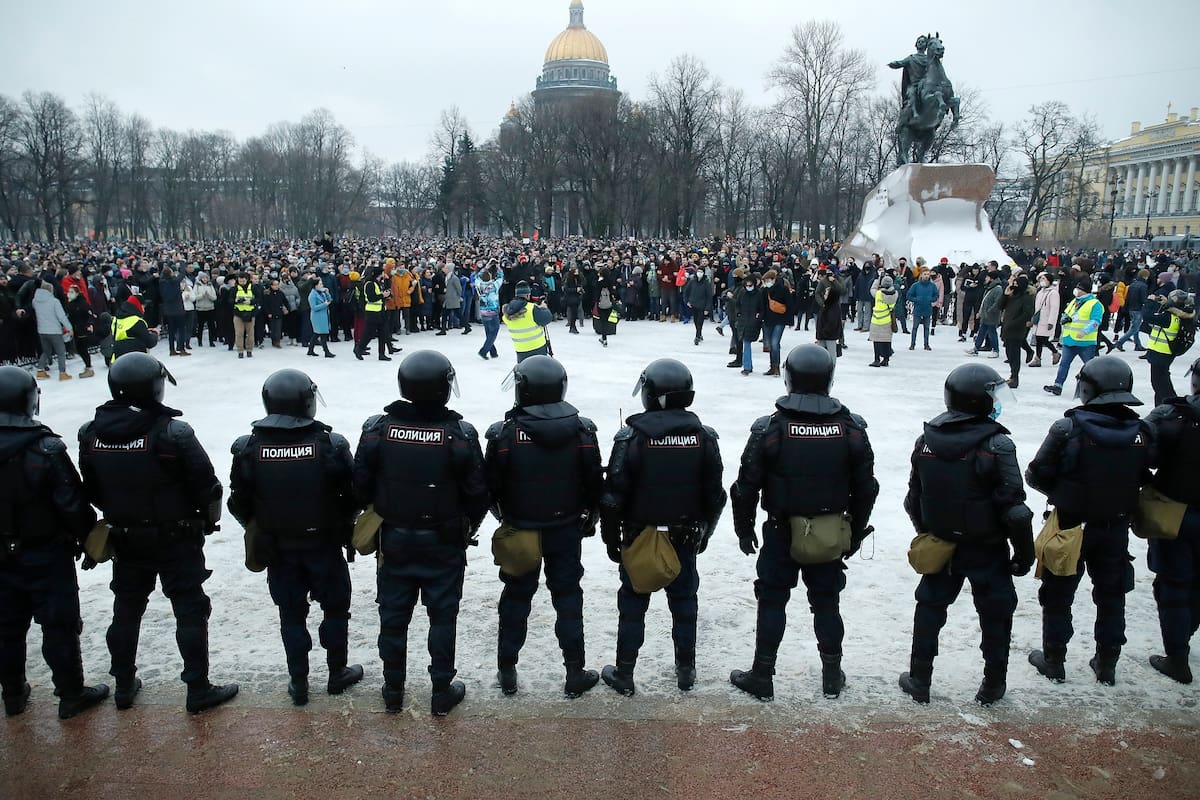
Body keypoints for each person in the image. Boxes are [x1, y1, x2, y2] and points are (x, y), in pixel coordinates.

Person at [78, 353, 237, 713]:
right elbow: (208, 487)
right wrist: (207, 521)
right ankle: (197, 688)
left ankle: (122, 684)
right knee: (189, 609)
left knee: (127, 608)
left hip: (126, 537)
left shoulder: (91, 433)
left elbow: (90, 488)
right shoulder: (172, 432)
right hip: (175, 537)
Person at [728, 345, 879, 700]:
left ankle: (763, 675)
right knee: (826, 602)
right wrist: (854, 532)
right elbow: (866, 489)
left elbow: (745, 486)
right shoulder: (851, 429)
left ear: (788, 378)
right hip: (828, 533)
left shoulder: (771, 429)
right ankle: (831, 674)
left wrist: (744, 526)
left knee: (772, 600)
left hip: (781, 529)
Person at [353, 351, 489, 715]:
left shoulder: (378, 429)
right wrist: (465, 526)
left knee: (393, 617)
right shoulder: (459, 434)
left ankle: (392, 688)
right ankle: (441, 690)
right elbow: (478, 493)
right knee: (443, 617)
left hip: (394, 539)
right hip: (443, 540)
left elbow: (360, 485)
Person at [899, 363, 1035, 705]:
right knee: (995, 613)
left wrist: (929, 533)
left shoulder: (925, 441)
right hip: (987, 547)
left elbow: (913, 498)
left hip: (943, 544)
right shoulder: (997, 445)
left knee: (930, 608)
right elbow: (1014, 509)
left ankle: (920, 678)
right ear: (980, 401)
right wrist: (1024, 552)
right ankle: (993, 683)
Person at [228, 369, 362, 705]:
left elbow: (238, 501)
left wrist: (259, 525)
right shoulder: (330, 444)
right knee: (335, 610)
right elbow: (354, 493)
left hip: (279, 548)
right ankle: (336, 672)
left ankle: (298, 680)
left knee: (290, 613)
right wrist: (342, 522)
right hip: (324, 545)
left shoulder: (249, 447)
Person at [599, 359, 726, 695]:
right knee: (685, 603)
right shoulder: (704, 437)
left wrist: (612, 542)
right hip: (685, 536)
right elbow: (715, 495)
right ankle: (686, 669)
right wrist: (706, 533)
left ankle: (624, 672)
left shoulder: (631, 438)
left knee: (632, 605)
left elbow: (612, 499)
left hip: (640, 536)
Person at [1026, 356, 1155, 686]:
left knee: (1058, 593)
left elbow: (1036, 473)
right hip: (1115, 528)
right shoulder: (1140, 432)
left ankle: (1054, 659)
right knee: (1112, 595)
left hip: (1070, 526)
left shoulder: (1067, 428)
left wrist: (1063, 493)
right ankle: (1107, 662)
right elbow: (1146, 473)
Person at [484, 356, 604, 697]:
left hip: (521, 529)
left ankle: (507, 669)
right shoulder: (582, 430)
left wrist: (504, 518)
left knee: (515, 598)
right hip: (565, 529)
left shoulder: (504, 433)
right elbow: (595, 483)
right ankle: (575, 672)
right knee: (568, 598)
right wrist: (588, 518)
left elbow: (490, 486)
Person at [0, 366, 110, 719]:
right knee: (58, 625)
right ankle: (70, 692)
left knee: (6, 627)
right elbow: (72, 503)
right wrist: (89, 539)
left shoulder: (45, 447)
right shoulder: (46, 448)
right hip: (45, 552)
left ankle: (13, 693)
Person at [1142, 358, 1200, 684]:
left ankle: (1177, 657)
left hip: (1175, 511)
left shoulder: (1173, 413)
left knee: (1174, 585)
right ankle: (1185, 631)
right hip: (1180, 510)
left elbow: (1143, 451)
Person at [1044, 276, 1103, 396]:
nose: (1076, 290)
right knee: (1064, 364)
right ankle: (1058, 385)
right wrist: (1064, 319)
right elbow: (1066, 314)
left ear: (1085, 291)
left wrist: (1085, 331)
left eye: (1078, 288)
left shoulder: (1094, 304)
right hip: (1069, 339)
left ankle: (1098, 387)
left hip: (1085, 342)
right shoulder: (1074, 301)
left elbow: (1096, 321)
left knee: (1090, 367)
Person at [1144, 289, 1196, 406]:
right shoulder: (1180, 314)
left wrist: (1149, 301)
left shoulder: (1168, 317)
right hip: (1166, 353)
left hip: (1161, 353)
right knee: (1161, 384)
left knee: (1160, 386)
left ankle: (1174, 408)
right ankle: (1160, 409)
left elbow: (1147, 317)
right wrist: (1165, 303)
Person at [998, 273, 1035, 388]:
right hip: (1007, 328)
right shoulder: (1011, 296)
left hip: (1017, 330)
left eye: (1016, 284)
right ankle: (1012, 375)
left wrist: (1013, 324)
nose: (1014, 286)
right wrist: (1005, 294)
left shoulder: (1026, 298)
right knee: (1009, 353)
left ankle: (1015, 377)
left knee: (1014, 354)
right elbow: (1000, 306)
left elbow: (1027, 314)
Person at [32, 279, 73, 381]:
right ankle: (62, 373)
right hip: (54, 330)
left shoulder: (35, 301)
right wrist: (69, 328)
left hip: (41, 330)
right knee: (61, 352)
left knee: (46, 351)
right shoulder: (54, 301)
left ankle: (40, 370)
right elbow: (61, 316)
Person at [503, 282, 554, 361]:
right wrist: (544, 308)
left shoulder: (507, 313)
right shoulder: (532, 308)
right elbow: (548, 318)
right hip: (538, 348)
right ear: (527, 295)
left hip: (520, 350)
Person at [355, 268, 397, 361]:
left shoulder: (378, 283)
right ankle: (359, 348)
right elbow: (371, 298)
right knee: (368, 333)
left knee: (383, 333)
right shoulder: (369, 284)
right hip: (372, 312)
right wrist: (383, 295)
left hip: (381, 311)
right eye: (382, 272)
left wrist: (386, 294)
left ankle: (381, 354)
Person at [964, 271, 1002, 357]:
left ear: (991, 278)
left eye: (987, 277)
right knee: (981, 332)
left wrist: (989, 311)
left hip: (991, 316)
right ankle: (976, 348)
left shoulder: (997, 289)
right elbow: (984, 301)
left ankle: (995, 350)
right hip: (985, 315)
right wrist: (981, 312)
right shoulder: (989, 288)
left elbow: (997, 303)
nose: (985, 279)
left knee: (992, 333)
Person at [1114, 269, 1150, 352]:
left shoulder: (1133, 284)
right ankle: (1120, 342)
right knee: (1134, 328)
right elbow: (1143, 299)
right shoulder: (1143, 286)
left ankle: (1138, 344)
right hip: (1138, 308)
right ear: (1145, 276)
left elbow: (1127, 297)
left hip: (1131, 308)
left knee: (1135, 327)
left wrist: (1126, 307)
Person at [1030, 272, 1061, 367]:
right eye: (1041, 279)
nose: (1042, 281)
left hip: (1046, 320)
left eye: (1044, 279)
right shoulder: (1040, 292)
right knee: (1039, 339)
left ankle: (1054, 352)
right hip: (1039, 320)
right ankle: (1038, 358)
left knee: (1043, 339)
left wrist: (1051, 322)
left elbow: (1054, 308)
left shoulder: (1053, 293)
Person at [867, 275, 898, 368]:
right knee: (887, 341)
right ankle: (886, 359)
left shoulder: (879, 293)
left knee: (876, 341)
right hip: (888, 320)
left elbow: (872, 289)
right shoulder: (895, 294)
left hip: (876, 319)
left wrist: (878, 279)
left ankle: (877, 359)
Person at [473, 267, 503, 360]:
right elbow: (501, 277)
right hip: (493, 311)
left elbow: (477, 276)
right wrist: (498, 267)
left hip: (483, 311)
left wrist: (485, 267)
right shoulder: (494, 285)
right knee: (493, 333)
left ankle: (493, 352)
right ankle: (484, 351)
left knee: (489, 332)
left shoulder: (478, 284)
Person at [907, 270, 938, 351]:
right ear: (921, 275)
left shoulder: (932, 286)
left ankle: (926, 344)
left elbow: (936, 295)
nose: (926, 276)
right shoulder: (916, 285)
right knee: (915, 328)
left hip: (927, 309)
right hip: (918, 309)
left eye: (928, 274)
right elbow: (909, 295)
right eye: (925, 274)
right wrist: (916, 299)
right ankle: (912, 344)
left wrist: (931, 299)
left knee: (927, 328)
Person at [232, 272, 259, 359]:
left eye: (243, 280)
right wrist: (235, 300)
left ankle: (249, 350)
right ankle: (240, 351)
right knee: (239, 333)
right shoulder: (235, 289)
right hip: (238, 314)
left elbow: (259, 298)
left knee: (250, 334)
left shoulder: (253, 288)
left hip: (250, 314)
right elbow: (229, 300)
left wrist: (251, 301)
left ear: (247, 280)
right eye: (240, 280)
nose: (242, 282)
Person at [307, 280, 335, 358]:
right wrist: (324, 304)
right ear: (315, 285)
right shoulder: (312, 295)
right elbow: (313, 307)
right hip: (317, 316)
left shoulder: (322, 292)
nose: (322, 285)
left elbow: (329, 300)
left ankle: (310, 350)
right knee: (322, 334)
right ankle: (326, 351)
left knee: (317, 333)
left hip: (323, 315)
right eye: (320, 284)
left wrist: (327, 293)